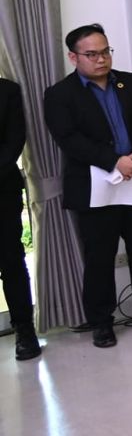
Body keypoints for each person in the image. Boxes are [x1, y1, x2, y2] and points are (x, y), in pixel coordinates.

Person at [42, 24, 132, 346]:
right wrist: (114, 161)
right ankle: (101, 322)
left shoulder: (129, 82)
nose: (101, 59)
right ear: (73, 57)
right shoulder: (60, 94)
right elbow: (68, 138)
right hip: (95, 188)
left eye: (105, 51)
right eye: (92, 54)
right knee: (99, 258)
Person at [0, 76, 39, 360]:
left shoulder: (7, 91)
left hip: (2, 189)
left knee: (11, 261)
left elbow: (14, 141)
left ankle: (24, 329)